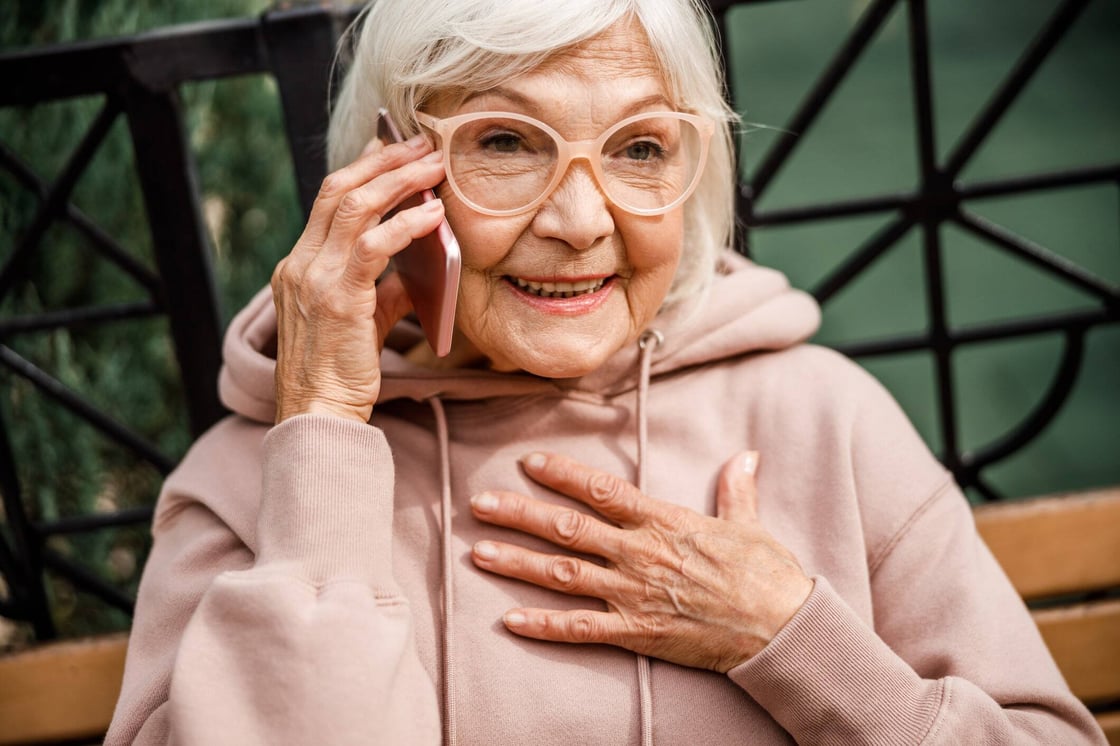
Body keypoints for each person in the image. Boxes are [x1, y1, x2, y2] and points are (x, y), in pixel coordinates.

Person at [106, 0, 1106, 743]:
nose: (581, 221)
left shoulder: (820, 415)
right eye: (505, 141)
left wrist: (790, 636)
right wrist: (322, 433)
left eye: (637, 147)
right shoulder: (251, 485)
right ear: (389, 170)